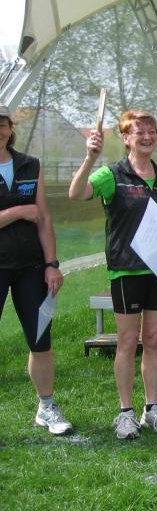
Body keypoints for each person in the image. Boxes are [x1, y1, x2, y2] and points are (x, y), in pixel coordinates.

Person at [69, 109, 157, 439]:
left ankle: (152, 409)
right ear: (126, 138)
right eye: (139, 132)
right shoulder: (112, 175)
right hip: (126, 270)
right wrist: (90, 158)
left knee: (154, 340)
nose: (147, 137)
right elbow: (76, 193)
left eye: (152, 131)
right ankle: (125, 413)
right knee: (128, 341)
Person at [0, 109, 72, 435]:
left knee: (40, 339)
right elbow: (28, 212)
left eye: (2, 125)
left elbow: (43, 217)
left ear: (10, 128)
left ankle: (47, 407)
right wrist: (17, 211)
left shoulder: (30, 164)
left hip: (31, 267)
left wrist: (51, 264)